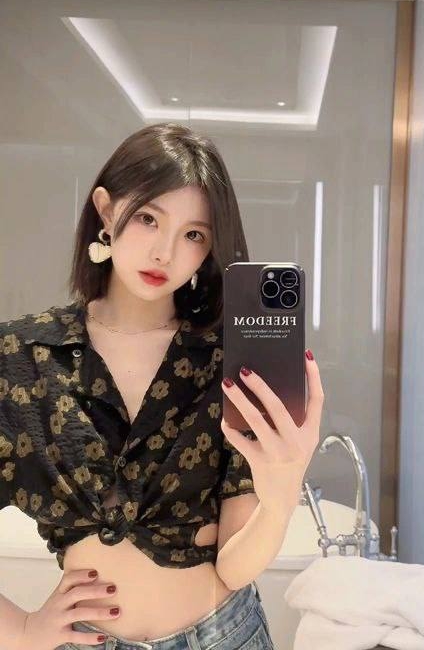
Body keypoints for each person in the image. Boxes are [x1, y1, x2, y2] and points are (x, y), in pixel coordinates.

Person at [0, 122, 324, 650]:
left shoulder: (226, 358)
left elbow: (235, 567)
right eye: (148, 218)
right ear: (106, 212)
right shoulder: (22, 357)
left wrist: (282, 492)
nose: (164, 252)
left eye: (194, 234)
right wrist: (20, 630)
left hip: (224, 636)